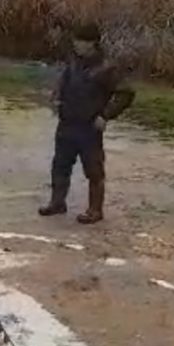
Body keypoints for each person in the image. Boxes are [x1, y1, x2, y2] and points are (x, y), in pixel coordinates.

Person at [39, 23, 135, 224]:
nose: (77, 45)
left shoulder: (107, 68)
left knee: (93, 169)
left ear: (93, 43)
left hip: (89, 127)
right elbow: (63, 82)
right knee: (60, 165)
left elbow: (125, 94)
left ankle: (95, 210)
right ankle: (57, 202)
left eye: (81, 42)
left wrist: (106, 115)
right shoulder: (73, 62)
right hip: (67, 123)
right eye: (76, 41)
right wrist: (56, 99)